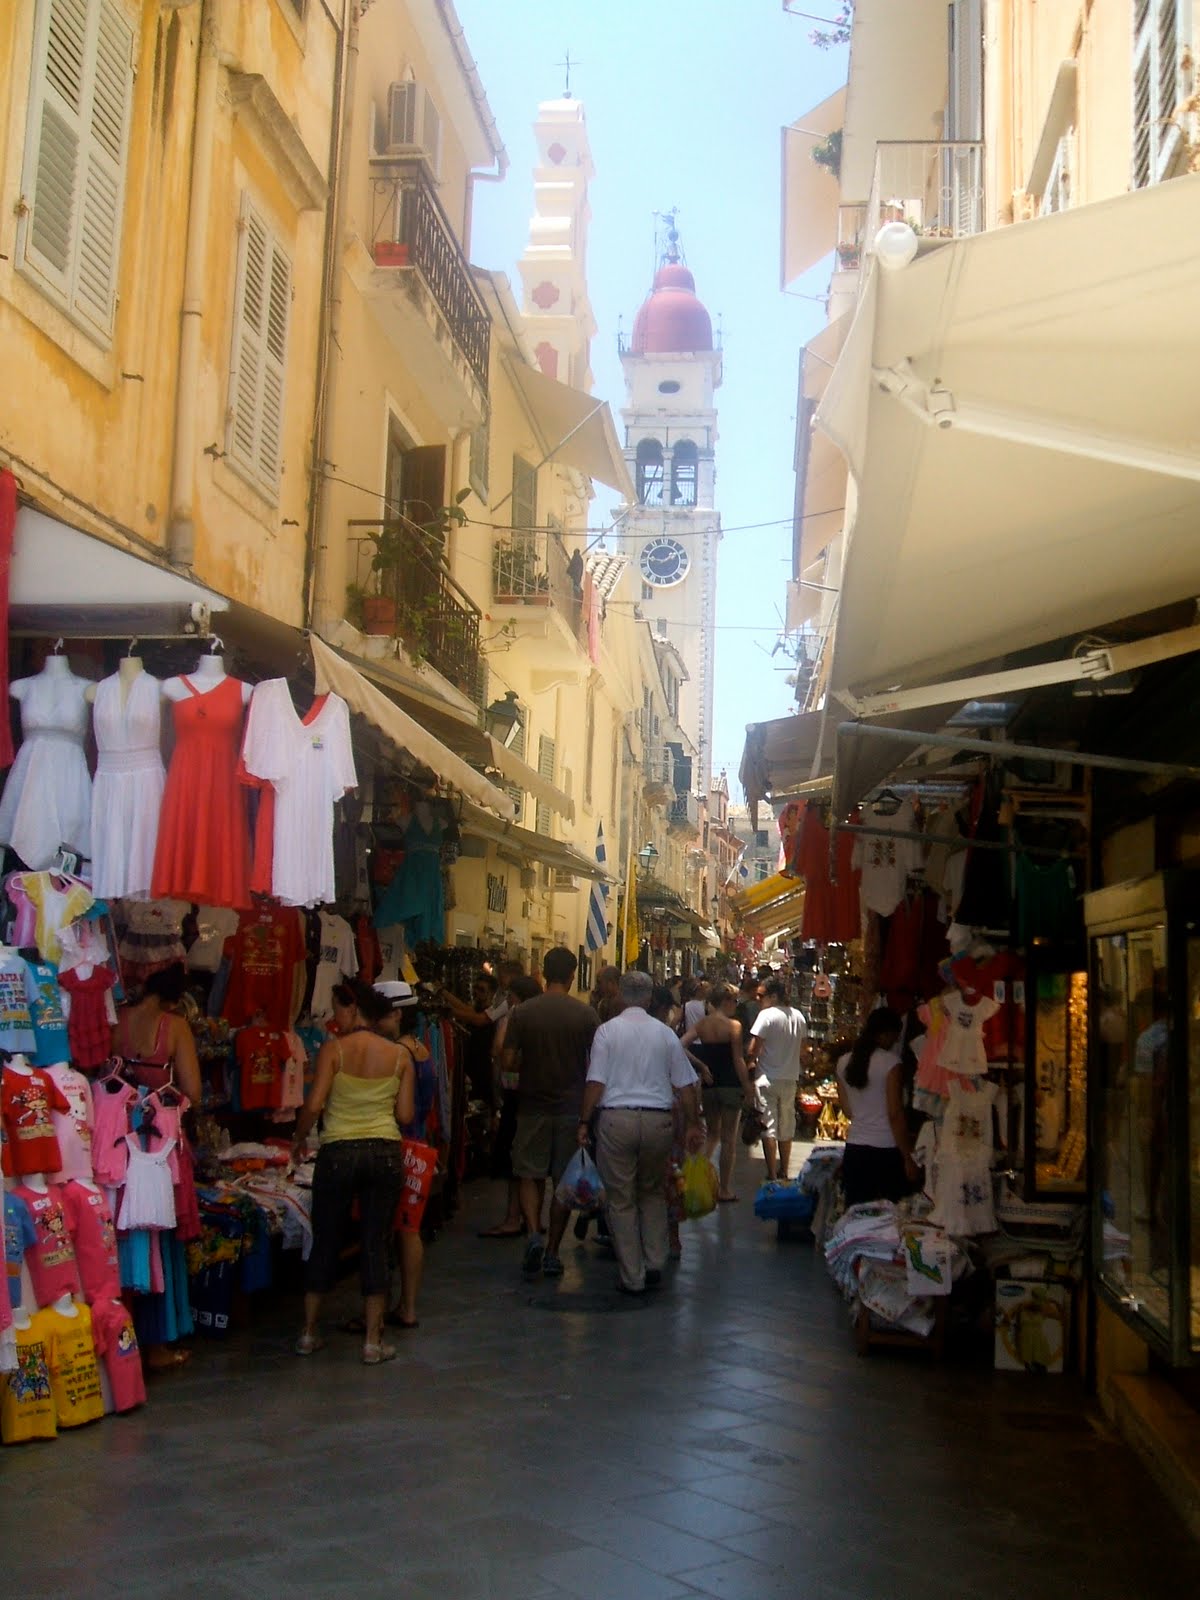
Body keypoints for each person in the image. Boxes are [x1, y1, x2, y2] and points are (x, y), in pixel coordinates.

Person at [292, 984, 415, 1364]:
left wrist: (299, 1137)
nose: (335, 1018)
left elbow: (314, 1103)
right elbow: (405, 1115)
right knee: (375, 1242)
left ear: (354, 1009)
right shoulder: (400, 1055)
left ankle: (308, 1332)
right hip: (384, 1152)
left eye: (338, 1010)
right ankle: (373, 1342)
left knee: (325, 1239)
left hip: (338, 1152)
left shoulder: (334, 1050)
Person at [579, 971, 703, 1295]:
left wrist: (584, 1120)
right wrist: (692, 1123)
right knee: (652, 1192)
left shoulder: (607, 1031)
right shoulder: (665, 1035)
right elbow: (686, 1085)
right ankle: (654, 1260)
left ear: (621, 995)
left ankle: (632, 1275)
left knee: (621, 1200)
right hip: (658, 1122)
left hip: (616, 1120)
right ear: (649, 998)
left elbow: (596, 1081)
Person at [111, 963, 202, 1371]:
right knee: (161, 1232)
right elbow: (193, 1090)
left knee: (126, 1232)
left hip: (118, 1138)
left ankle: (124, 1337)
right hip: (159, 1141)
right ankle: (158, 1345)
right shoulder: (175, 1027)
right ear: (173, 999)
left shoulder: (119, 1019)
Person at [501, 947, 599, 1277]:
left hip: (531, 1105)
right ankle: (553, 1251)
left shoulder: (523, 1013)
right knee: (563, 1180)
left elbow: (507, 1061)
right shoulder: (585, 1015)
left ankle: (532, 1232)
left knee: (529, 1173)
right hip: (571, 1107)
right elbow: (597, 1063)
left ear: (543, 973)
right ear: (572, 976)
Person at [372, 979, 438, 1331]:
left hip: (397, 1145)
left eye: (379, 1015)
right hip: (419, 1147)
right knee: (409, 1230)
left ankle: (376, 1310)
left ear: (397, 1015)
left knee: (383, 1230)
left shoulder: (398, 1053)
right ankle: (408, 1306)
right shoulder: (421, 1048)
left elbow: (398, 1108)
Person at [479, 974, 543, 1239]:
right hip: (536, 1094)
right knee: (535, 1163)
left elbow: (498, 1049)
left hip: (514, 1094)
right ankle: (533, 1218)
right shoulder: (541, 1019)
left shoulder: (516, 1016)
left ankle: (513, 1217)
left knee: (514, 1159)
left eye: (510, 995)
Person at [835, 1007, 920, 1206]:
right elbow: (895, 1113)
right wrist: (908, 1157)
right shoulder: (891, 1063)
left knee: (857, 1213)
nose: (895, 1043)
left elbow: (847, 1110)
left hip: (855, 1148)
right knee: (887, 1214)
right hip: (886, 1150)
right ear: (886, 1034)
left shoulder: (843, 1062)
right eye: (895, 1037)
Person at [682, 981, 754, 1203]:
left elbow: (680, 1045)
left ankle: (696, 1179)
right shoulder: (734, 1026)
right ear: (725, 1001)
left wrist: (701, 1066)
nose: (736, 1005)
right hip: (730, 1084)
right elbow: (738, 1059)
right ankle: (723, 1189)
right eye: (734, 1000)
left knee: (712, 1135)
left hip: (709, 1085)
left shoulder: (703, 1024)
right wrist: (747, 1087)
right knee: (728, 1139)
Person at [746, 976, 806, 1182]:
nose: (758, 999)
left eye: (761, 996)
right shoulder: (798, 1016)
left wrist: (749, 1064)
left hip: (767, 1079)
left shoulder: (766, 1016)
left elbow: (753, 1049)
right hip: (790, 1079)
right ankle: (784, 1170)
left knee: (769, 1127)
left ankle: (772, 1173)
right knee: (786, 1127)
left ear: (773, 996)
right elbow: (803, 1050)